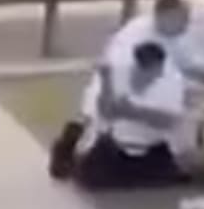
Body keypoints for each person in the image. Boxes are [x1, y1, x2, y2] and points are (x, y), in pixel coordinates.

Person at [62, 41, 190, 189]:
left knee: (168, 177)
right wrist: (107, 83)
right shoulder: (114, 80)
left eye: (157, 70)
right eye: (148, 71)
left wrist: (133, 112)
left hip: (150, 148)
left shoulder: (170, 83)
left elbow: (169, 120)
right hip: (113, 145)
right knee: (91, 179)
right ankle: (69, 147)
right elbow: (104, 112)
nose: (154, 75)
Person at [101, 0, 204, 87]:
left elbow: (194, 65)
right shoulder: (136, 36)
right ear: (168, 16)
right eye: (183, 18)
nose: (187, 23)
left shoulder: (174, 34)